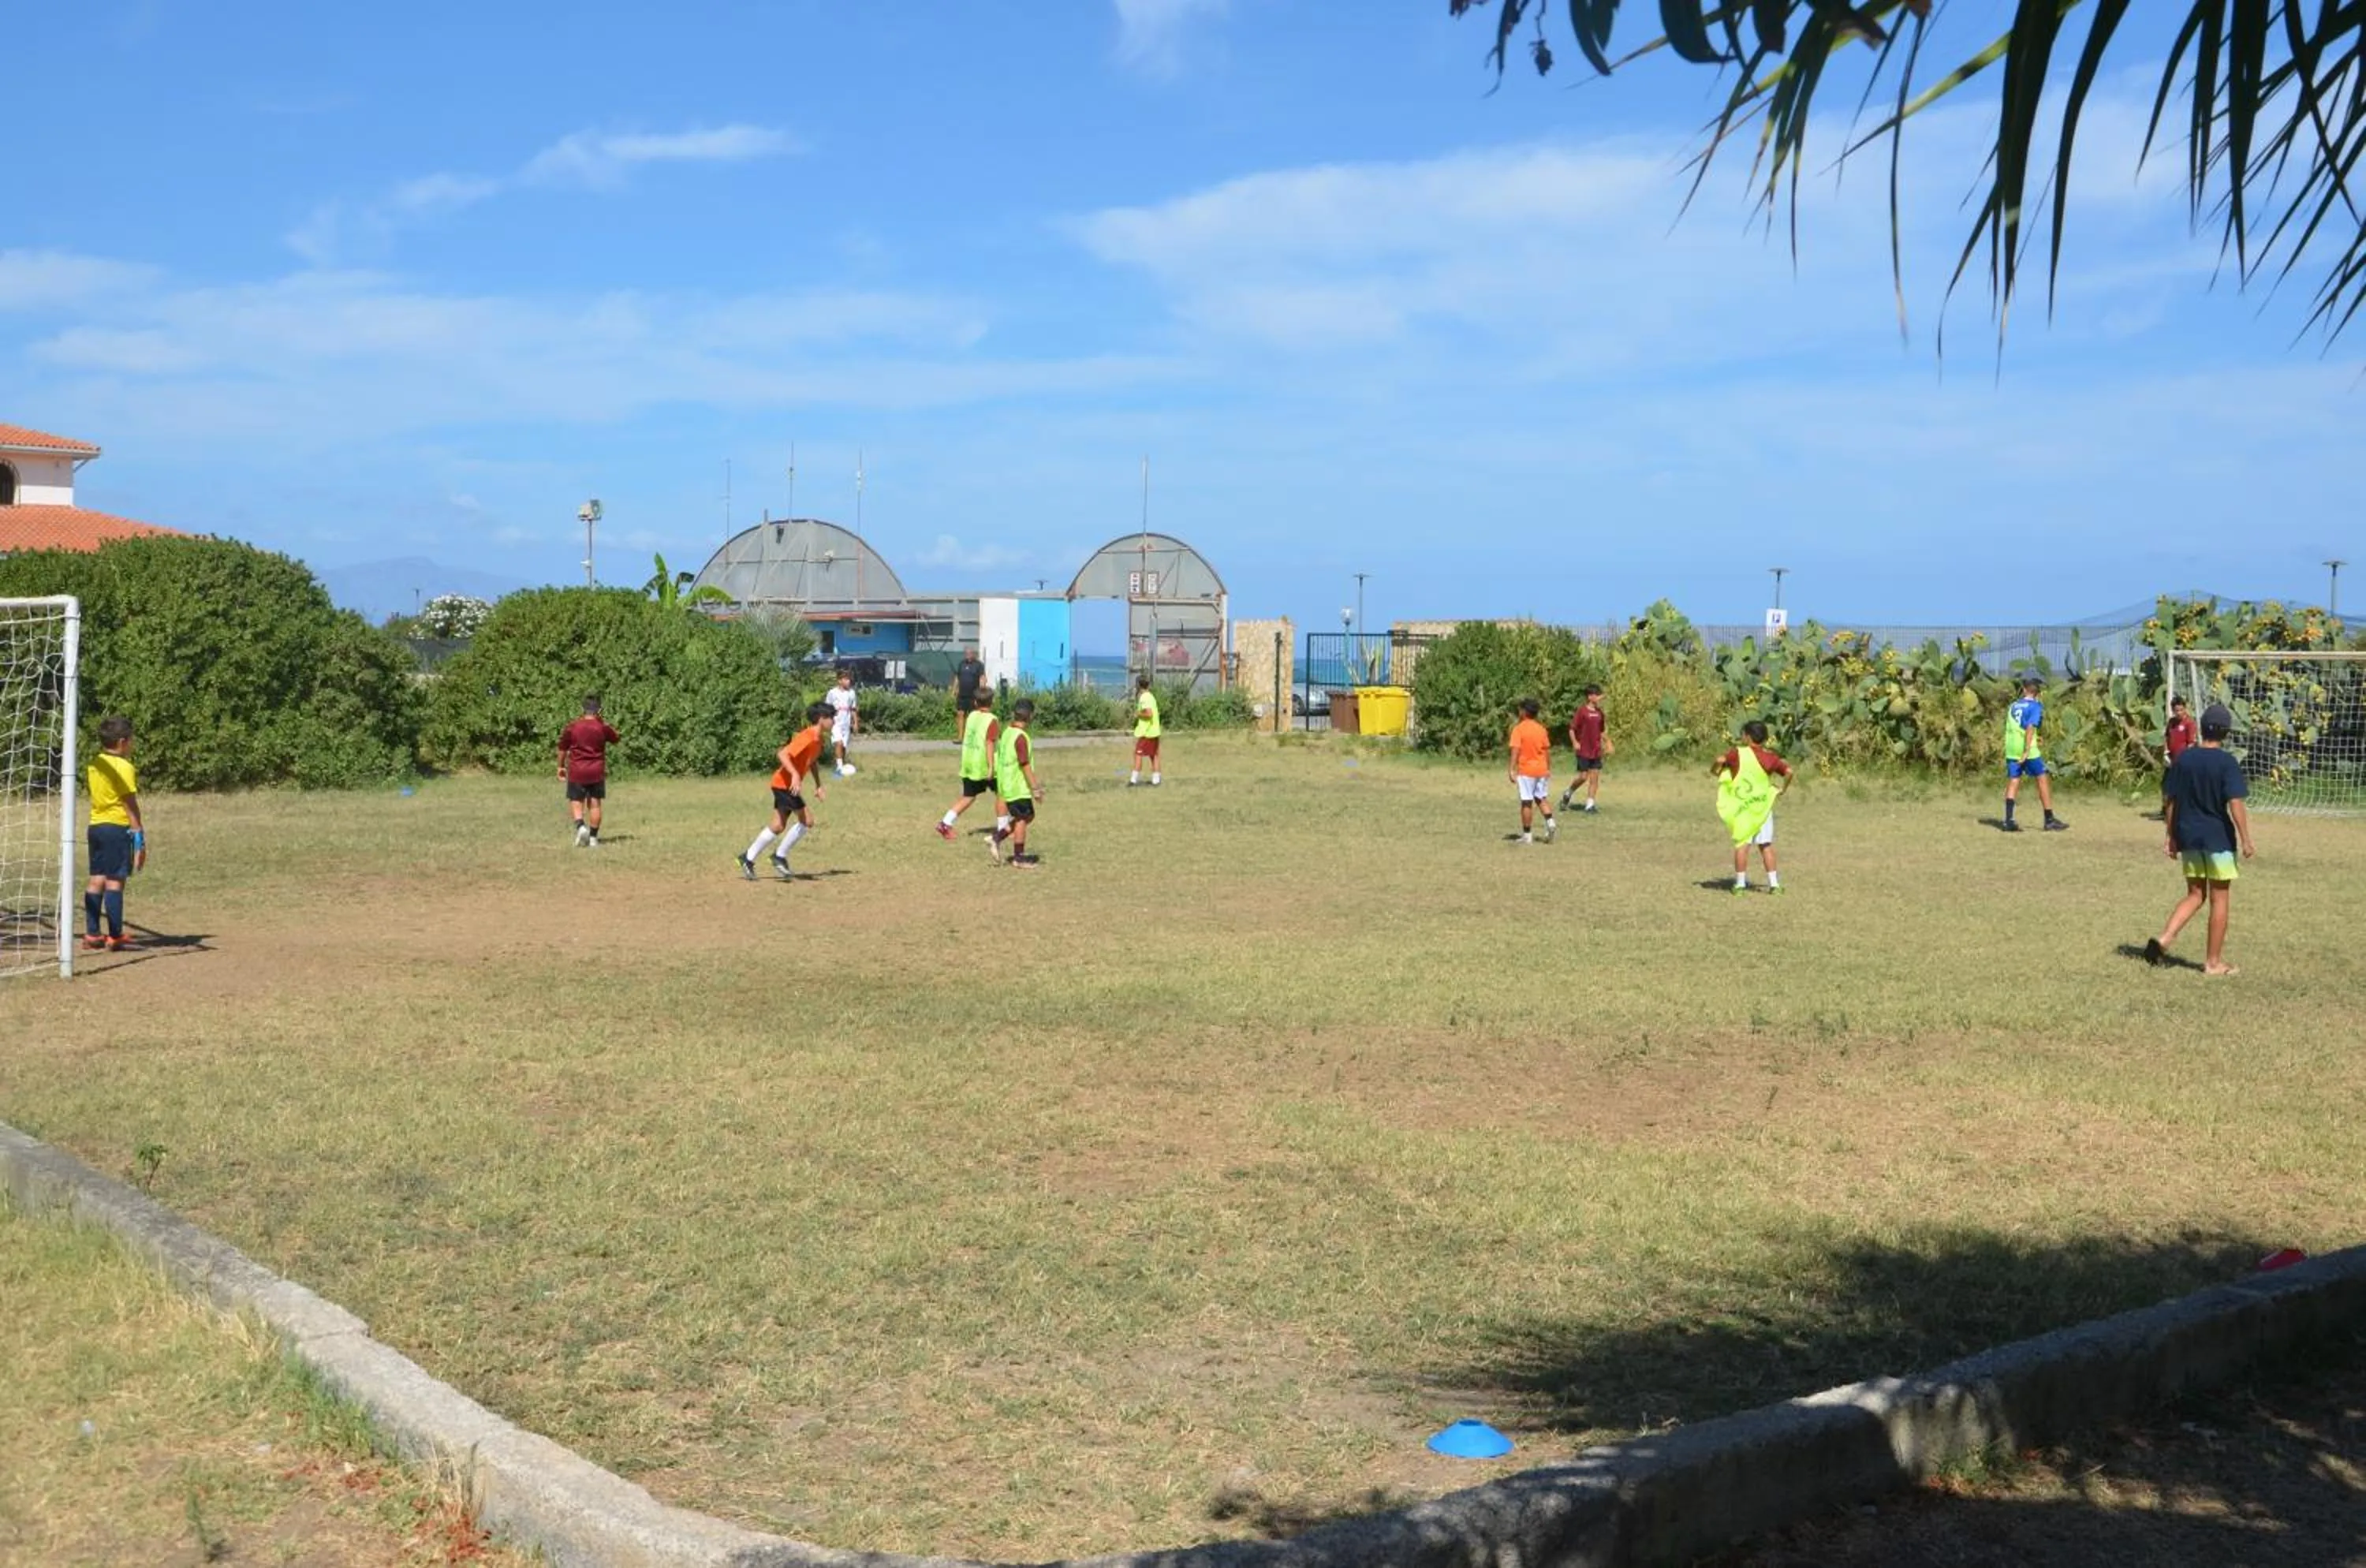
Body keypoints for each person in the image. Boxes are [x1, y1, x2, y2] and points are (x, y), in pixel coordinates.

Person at [2148, 702, 2256, 976]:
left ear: (2204, 728)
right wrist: (2246, 839)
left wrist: (2171, 837)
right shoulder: (2227, 762)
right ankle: (2213, 962)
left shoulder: (2184, 759)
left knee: (2195, 894)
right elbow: (2235, 804)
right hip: (2217, 839)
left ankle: (2164, 940)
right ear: (2226, 732)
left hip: (2189, 836)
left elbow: (2171, 802)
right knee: (2220, 898)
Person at [741, 703, 831, 882]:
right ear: (821, 719)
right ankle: (779, 856)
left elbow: (811, 762)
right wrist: (795, 774)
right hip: (784, 784)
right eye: (831, 717)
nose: (833, 721)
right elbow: (782, 754)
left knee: (778, 826)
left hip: (786, 785)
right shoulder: (807, 736)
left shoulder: (819, 740)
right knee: (807, 821)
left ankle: (747, 858)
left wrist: (818, 785)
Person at [83, 715, 144, 953]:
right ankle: (115, 935)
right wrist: (138, 832)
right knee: (115, 881)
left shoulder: (95, 763)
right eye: (131, 740)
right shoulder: (124, 767)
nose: (132, 744)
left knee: (96, 878)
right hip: (116, 828)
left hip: (96, 826)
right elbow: (129, 802)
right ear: (122, 742)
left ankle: (92, 933)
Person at [1714, 719, 1792, 894]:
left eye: (1743, 734)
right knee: (1766, 846)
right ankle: (1774, 885)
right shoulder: (1770, 757)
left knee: (1742, 845)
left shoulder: (1737, 754)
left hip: (1744, 810)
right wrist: (1782, 789)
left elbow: (1718, 768)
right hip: (1763, 809)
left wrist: (1716, 763)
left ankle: (1740, 885)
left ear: (1748, 737)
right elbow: (1789, 772)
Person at [2002, 674, 2066, 832]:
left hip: (2011, 748)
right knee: (2042, 779)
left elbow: (2013, 727)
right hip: (2028, 750)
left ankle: (2008, 821)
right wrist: (2026, 750)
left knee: (2014, 781)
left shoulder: (2013, 706)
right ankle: (2049, 819)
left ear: (2024, 690)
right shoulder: (2035, 707)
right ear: (2038, 693)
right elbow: (2030, 727)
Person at [936, 699, 1002, 841]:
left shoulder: (972, 716)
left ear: (975, 702)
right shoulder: (992, 720)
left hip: (970, 762)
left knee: (968, 796)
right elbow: (989, 743)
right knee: (1002, 794)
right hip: (985, 765)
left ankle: (945, 822)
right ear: (992, 702)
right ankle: (1004, 828)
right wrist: (991, 766)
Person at [558, 694, 619, 848]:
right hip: (596, 771)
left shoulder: (573, 726)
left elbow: (562, 748)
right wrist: (604, 723)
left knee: (576, 801)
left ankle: (580, 826)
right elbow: (616, 738)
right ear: (599, 710)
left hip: (577, 770)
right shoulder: (602, 727)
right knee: (595, 804)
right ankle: (593, 838)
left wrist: (560, 766)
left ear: (582, 709)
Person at [992, 697, 1045, 867]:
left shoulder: (1008, 732)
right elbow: (1025, 764)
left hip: (1006, 783)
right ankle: (1019, 857)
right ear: (1030, 716)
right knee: (1022, 818)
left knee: (1028, 815)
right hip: (1017, 784)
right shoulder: (1021, 737)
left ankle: (997, 838)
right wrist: (1035, 788)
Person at [1508, 698, 1556, 843]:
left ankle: (1527, 835)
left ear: (1524, 712)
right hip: (1541, 769)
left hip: (1526, 771)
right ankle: (1551, 823)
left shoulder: (1519, 729)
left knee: (1527, 802)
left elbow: (1515, 750)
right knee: (1541, 798)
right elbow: (1546, 751)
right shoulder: (1541, 729)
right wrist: (1548, 768)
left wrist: (1512, 769)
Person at [1558, 685, 1612, 814]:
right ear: (1590, 696)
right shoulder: (1582, 711)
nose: (1599, 697)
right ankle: (1568, 792)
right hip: (1584, 750)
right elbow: (1572, 729)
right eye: (1597, 695)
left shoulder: (1600, 713)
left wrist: (1608, 742)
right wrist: (1575, 742)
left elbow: (1601, 731)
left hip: (1596, 750)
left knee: (1595, 778)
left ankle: (1590, 805)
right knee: (1583, 777)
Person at [2159, 695, 2197, 818]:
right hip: (2171, 761)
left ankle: (2185, 812)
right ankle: (2166, 810)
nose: (2179, 713)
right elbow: (2166, 737)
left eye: (2181, 710)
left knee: (2183, 788)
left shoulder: (2189, 723)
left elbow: (2191, 743)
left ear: (2185, 709)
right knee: (2166, 785)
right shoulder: (2171, 722)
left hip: (2183, 762)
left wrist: (2187, 760)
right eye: (2176, 711)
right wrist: (2166, 752)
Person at [824, 667, 860, 777]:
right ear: (839, 680)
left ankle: (842, 766)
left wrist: (855, 723)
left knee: (843, 746)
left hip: (846, 723)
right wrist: (828, 721)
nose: (848, 681)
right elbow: (827, 708)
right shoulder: (832, 693)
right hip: (836, 723)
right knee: (838, 743)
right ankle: (839, 769)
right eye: (846, 679)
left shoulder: (852, 693)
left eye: (849, 679)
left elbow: (853, 709)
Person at [1129, 674, 1163, 787]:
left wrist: (1137, 714)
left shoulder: (1144, 698)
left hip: (1147, 733)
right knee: (1154, 755)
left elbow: (1149, 714)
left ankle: (1133, 780)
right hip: (1154, 731)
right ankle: (1156, 780)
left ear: (1138, 685)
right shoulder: (1151, 696)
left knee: (1138, 754)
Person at [953, 647, 987, 715]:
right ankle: (961, 726)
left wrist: (980, 694)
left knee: (973, 714)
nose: (968, 655)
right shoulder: (961, 664)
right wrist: (955, 689)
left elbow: (982, 679)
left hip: (973, 695)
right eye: (967, 653)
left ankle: (971, 726)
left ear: (973, 654)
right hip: (962, 695)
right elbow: (957, 678)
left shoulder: (979, 665)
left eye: (970, 653)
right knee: (960, 714)